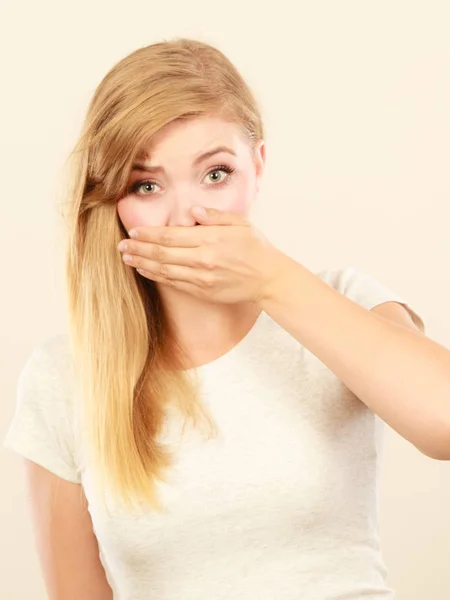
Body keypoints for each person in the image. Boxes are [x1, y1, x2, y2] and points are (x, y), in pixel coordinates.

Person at [4, 38, 450, 600]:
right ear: (114, 205)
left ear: (257, 167)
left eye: (215, 174)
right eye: (146, 185)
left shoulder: (340, 302)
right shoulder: (63, 377)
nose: (187, 217)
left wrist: (270, 277)